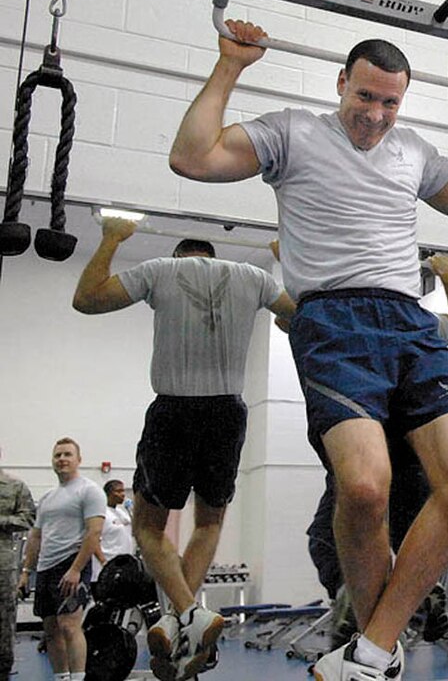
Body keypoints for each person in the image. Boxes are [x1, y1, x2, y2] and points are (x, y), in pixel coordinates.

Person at [169, 20, 448, 681]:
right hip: (333, 318)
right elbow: (193, 158)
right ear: (341, 82)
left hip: (408, 317)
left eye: (390, 103)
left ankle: (374, 649)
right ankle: (378, 648)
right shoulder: (292, 131)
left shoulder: (413, 151)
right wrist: (231, 65)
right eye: (366, 97)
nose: (375, 115)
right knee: (365, 488)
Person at [71, 221, 295, 681]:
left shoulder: (161, 269)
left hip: (174, 409)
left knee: (147, 526)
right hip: (229, 411)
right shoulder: (254, 277)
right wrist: (287, 260)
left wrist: (113, 237)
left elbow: (87, 299)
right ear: (211, 254)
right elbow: (298, 321)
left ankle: (188, 610)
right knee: (210, 520)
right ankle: (179, 621)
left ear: (180, 255)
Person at [307, 254, 448, 646]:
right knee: (406, 536)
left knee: (328, 537)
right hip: (407, 459)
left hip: (363, 451)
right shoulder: (419, 326)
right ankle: (421, 594)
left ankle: (362, 596)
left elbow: (289, 316)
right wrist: (446, 275)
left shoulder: (349, 320)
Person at [18, 438, 106, 681]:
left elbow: (94, 533)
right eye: (58, 455)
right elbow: (35, 537)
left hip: (72, 564)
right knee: (51, 631)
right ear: (52, 461)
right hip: (46, 568)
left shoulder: (89, 490)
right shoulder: (47, 498)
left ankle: (78, 678)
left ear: (79, 459)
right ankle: (61, 678)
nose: (62, 459)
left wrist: (76, 569)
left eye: (67, 454)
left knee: (69, 625)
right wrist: (27, 571)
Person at [0, 447, 35, 681]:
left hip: (3, 565)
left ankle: (3, 670)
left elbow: (28, 518)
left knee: (3, 618)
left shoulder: (14, 486)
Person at [91, 480, 134, 582]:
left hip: (123, 565)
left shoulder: (122, 512)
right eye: (118, 491)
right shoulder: (101, 513)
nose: (123, 494)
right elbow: (94, 540)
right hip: (106, 564)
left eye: (123, 491)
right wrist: (104, 562)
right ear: (108, 493)